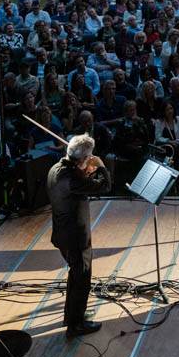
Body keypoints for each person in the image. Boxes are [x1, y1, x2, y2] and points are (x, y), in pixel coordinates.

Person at [47, 133, 112, 338]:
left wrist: (85, 169)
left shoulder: (56, 169)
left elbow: (80, 180)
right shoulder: (73, 179)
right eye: (89, 157)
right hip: (76, 238)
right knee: (82, 279)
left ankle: (71, 315)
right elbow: (105, 185)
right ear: (83, 159)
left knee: (75, 275)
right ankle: (76, 325)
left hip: (62, 234)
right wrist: (100, 165)